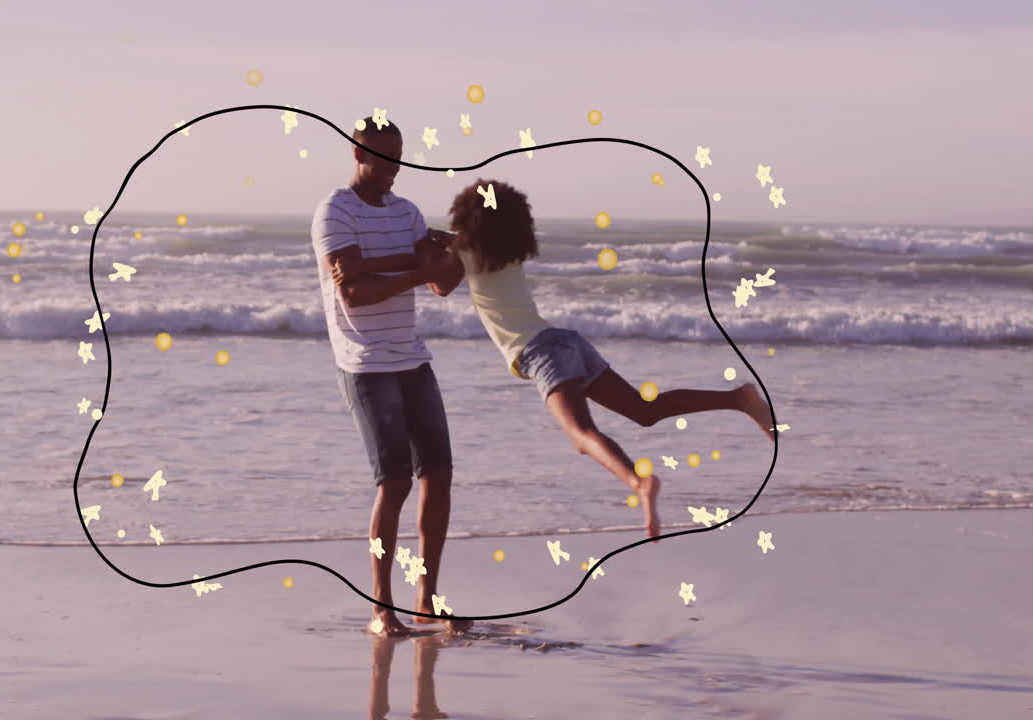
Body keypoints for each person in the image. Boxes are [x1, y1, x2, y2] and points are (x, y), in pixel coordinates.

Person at [335, 179, 775, 543]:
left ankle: (639, 481)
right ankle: (738, 398)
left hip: (542, 352)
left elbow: (438, 283)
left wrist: (367, 265)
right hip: (566, 341)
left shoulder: (464, 254)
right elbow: (452, 258)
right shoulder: (503, 250)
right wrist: (441, 246)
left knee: (582, 435)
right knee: (645, 409)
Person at [310, 117, 470, 636]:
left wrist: (454, 251)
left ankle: (427, 596)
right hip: (365, 361)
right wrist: (419, 266)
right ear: (359, 154)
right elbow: (353, 293)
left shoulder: (407, 213)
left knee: (438, 475)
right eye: (382, 158)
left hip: (411, 356)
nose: (393, 169)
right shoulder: (336, 211)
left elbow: (445, 282)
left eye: (399, 157)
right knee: (395, 481)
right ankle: (382, 608)